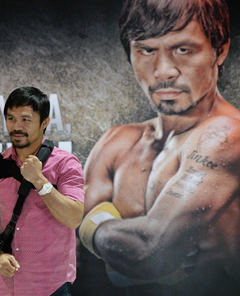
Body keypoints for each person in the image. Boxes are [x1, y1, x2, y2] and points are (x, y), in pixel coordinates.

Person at [79, 0, 240, 295]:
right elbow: (71, 227)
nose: (164, 71)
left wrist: (95, 228)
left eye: (183, 49)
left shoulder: (228, 136)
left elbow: (150, 253)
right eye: (147, 50)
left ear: (221, 50)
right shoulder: (117, 142)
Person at [0, 86, 85, 296]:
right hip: (4, 287)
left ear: (45, 122)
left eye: (25, 119)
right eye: (11, 118)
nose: (17, 126)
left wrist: (40, 182)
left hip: (51, 287)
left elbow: (74, 218)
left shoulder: (65, 164)